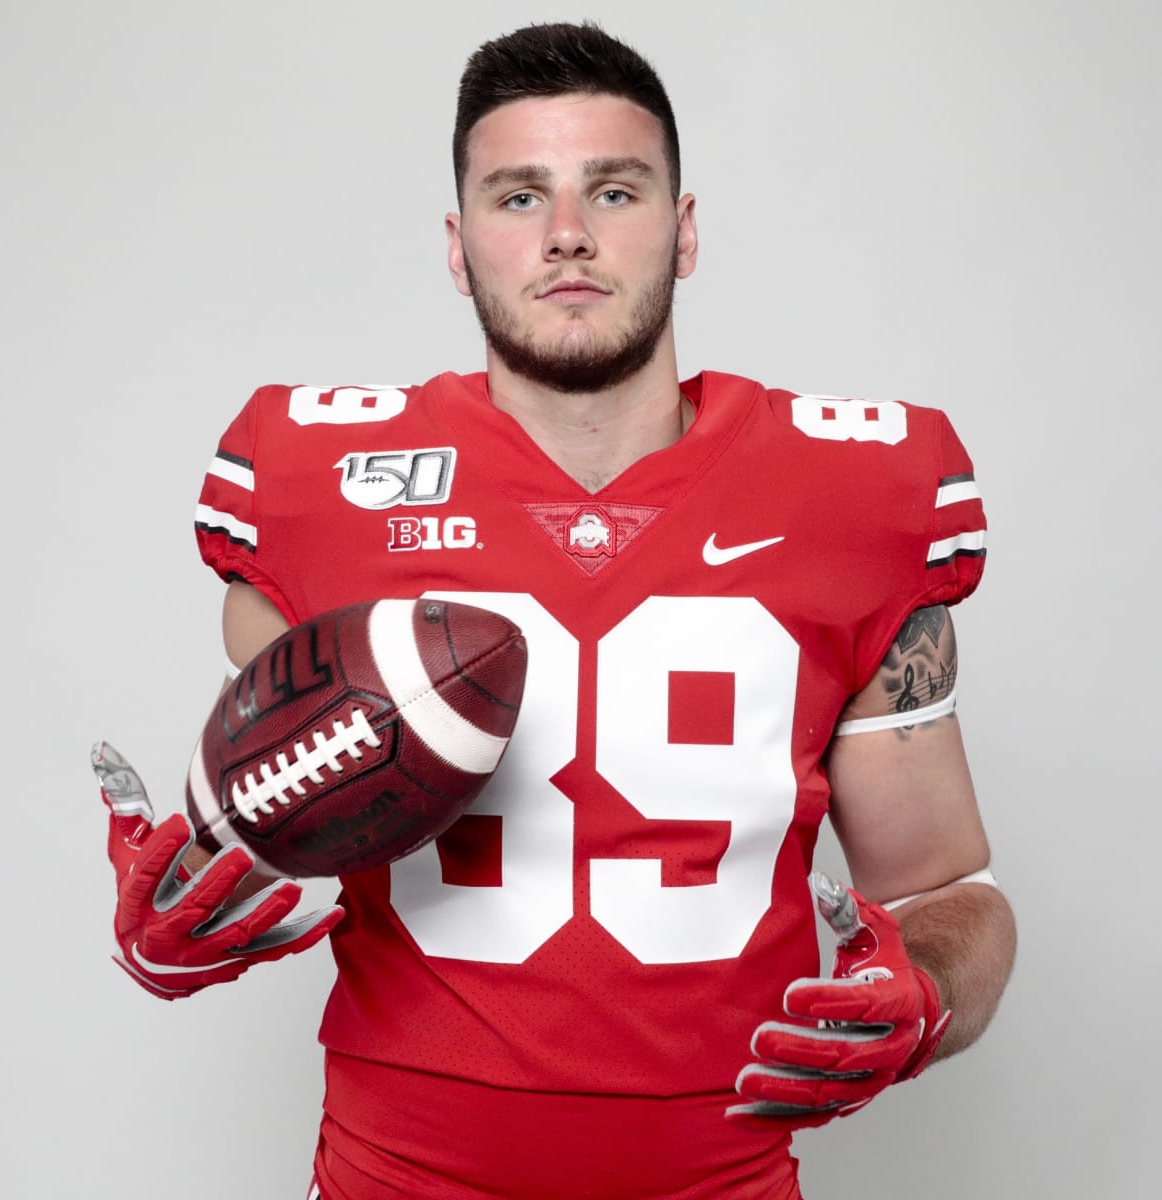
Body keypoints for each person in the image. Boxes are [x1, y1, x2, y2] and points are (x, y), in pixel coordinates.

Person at [94, 21, 1016, 1200]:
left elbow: (946, 890)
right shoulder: (319, 482)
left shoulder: (856, 494)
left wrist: (928, 989)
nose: (568, 234)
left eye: (615, 190)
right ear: (458, 241)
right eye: (518, 195)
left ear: (685, 231)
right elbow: (267, 806)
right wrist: (176, 895)